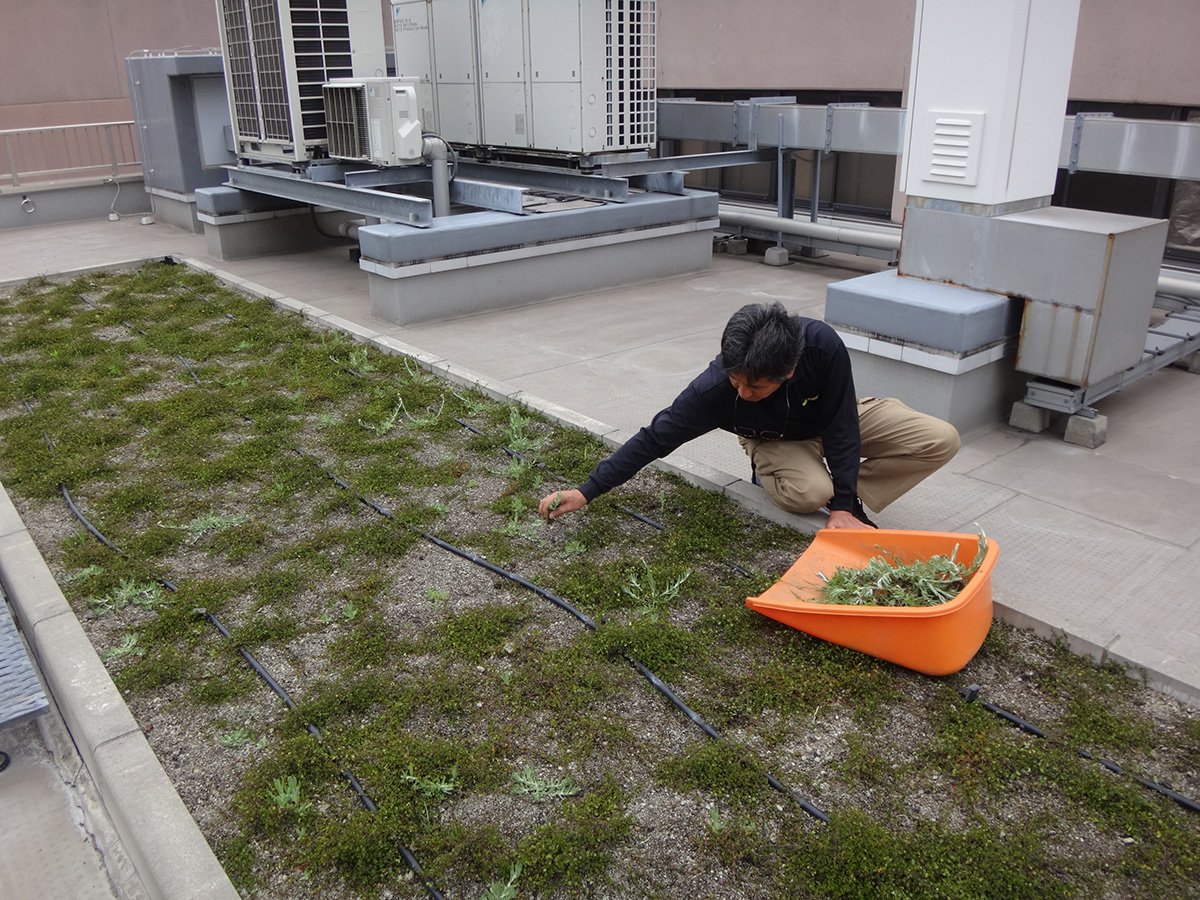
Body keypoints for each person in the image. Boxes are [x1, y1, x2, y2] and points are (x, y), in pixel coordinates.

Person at [538, 301, 960, 529]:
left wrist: (845, 506)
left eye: (755, 386)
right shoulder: (716, 390)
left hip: (833, 415)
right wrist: (587, 490)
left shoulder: (823, 348)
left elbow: (842, 425)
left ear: (789, 371)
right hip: (774, 435)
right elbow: (656, 437)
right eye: (735, 379)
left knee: (941, 439)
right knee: (809, 494)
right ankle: (796, 476)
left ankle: (845, 498)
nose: (742, 391)